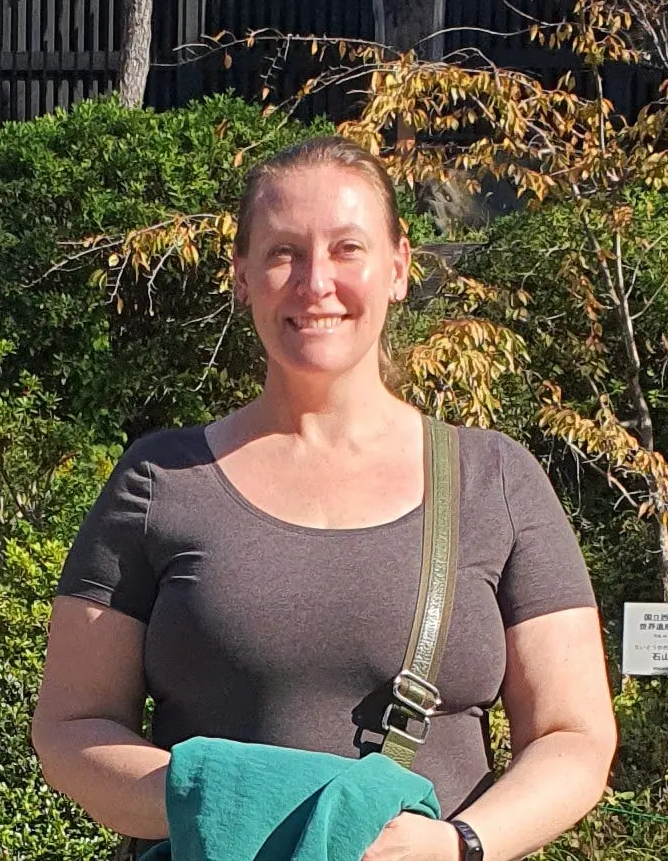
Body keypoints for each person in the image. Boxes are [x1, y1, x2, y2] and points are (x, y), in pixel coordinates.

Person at [33, 136, 619, 861]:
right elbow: (70, 727)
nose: (315, 282)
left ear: (399, 268)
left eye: (348, 248)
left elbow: (575, 735)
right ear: (242, 276)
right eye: (283, 252)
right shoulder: (160, 478)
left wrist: (459, 846)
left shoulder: (496, 480)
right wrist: (225, 802)